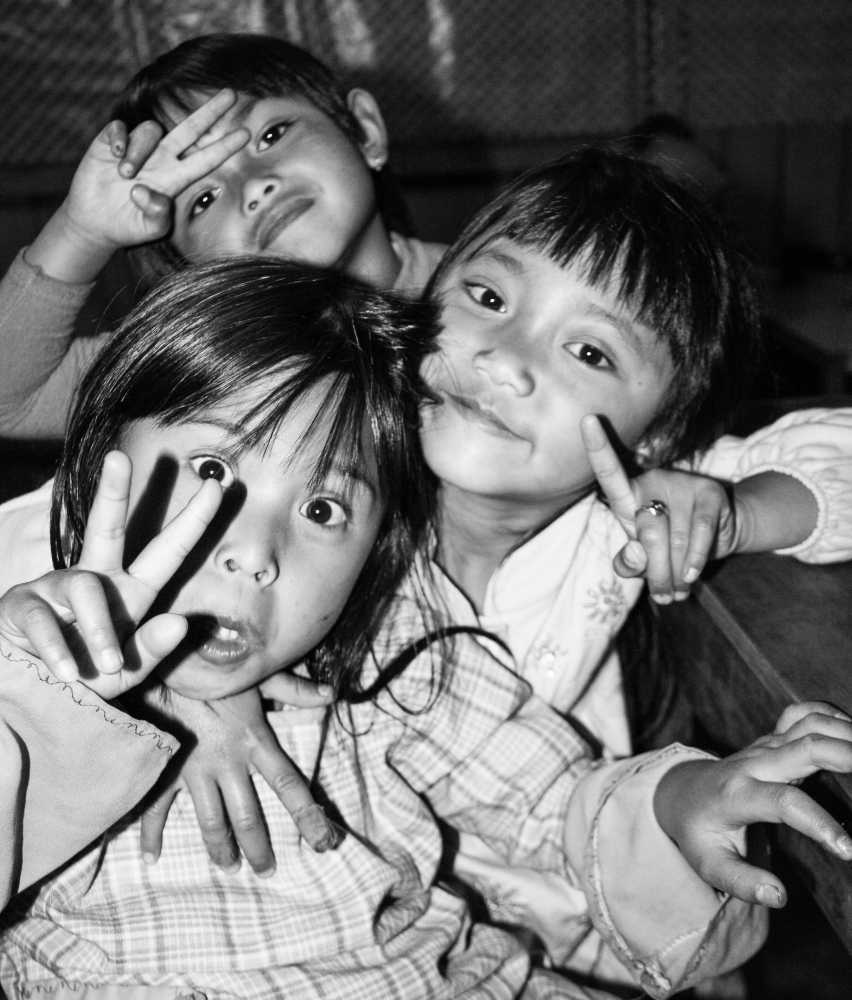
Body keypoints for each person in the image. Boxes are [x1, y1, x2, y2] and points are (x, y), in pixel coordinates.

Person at [2, 260, 852, 1000]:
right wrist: (51, 702)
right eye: (215, 469)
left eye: (324, 508)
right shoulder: (31, 646)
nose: (256, 553)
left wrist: (681, 802)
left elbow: (552, 798)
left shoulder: (397, 643)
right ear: (95, 457)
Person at [0, 32, 446, 439]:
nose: (252, 185)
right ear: (193, 269)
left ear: (365, 130)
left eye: (271, 135)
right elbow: (9, 402)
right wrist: (82, 231)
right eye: (204, 199)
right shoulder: (210, 357)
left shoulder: (482, 296)